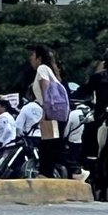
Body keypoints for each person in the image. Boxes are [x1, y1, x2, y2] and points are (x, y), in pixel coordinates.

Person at [30, 45, 70, 178]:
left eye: (32, 55)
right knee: (54, 145)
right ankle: (73, 171)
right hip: (59, 112)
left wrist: (45, 114)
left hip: (51, 111)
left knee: (47, 145)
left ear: (39, 58)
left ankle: (45, 174)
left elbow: (46, 91)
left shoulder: (42, 69)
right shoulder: (50, 71)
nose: (30, 59)